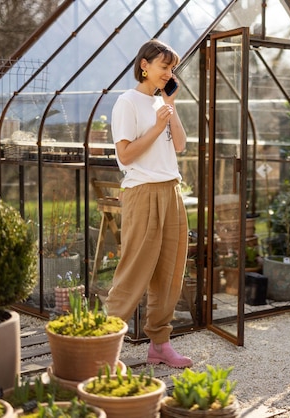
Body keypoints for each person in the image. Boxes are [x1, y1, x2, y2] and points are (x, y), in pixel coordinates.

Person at [105, 39, 192, 368]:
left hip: (171, 190)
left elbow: (180, 145)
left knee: (169, 273)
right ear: (144, 65)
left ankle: (159, 344)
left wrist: (170, 106)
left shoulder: (162, 103)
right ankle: (104, 345)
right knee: (133, 271)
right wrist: (157, 127)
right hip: (142, 192)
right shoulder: (126, 103)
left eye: (171, 68)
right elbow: (125, 155)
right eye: (163, 67)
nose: (168, 73)